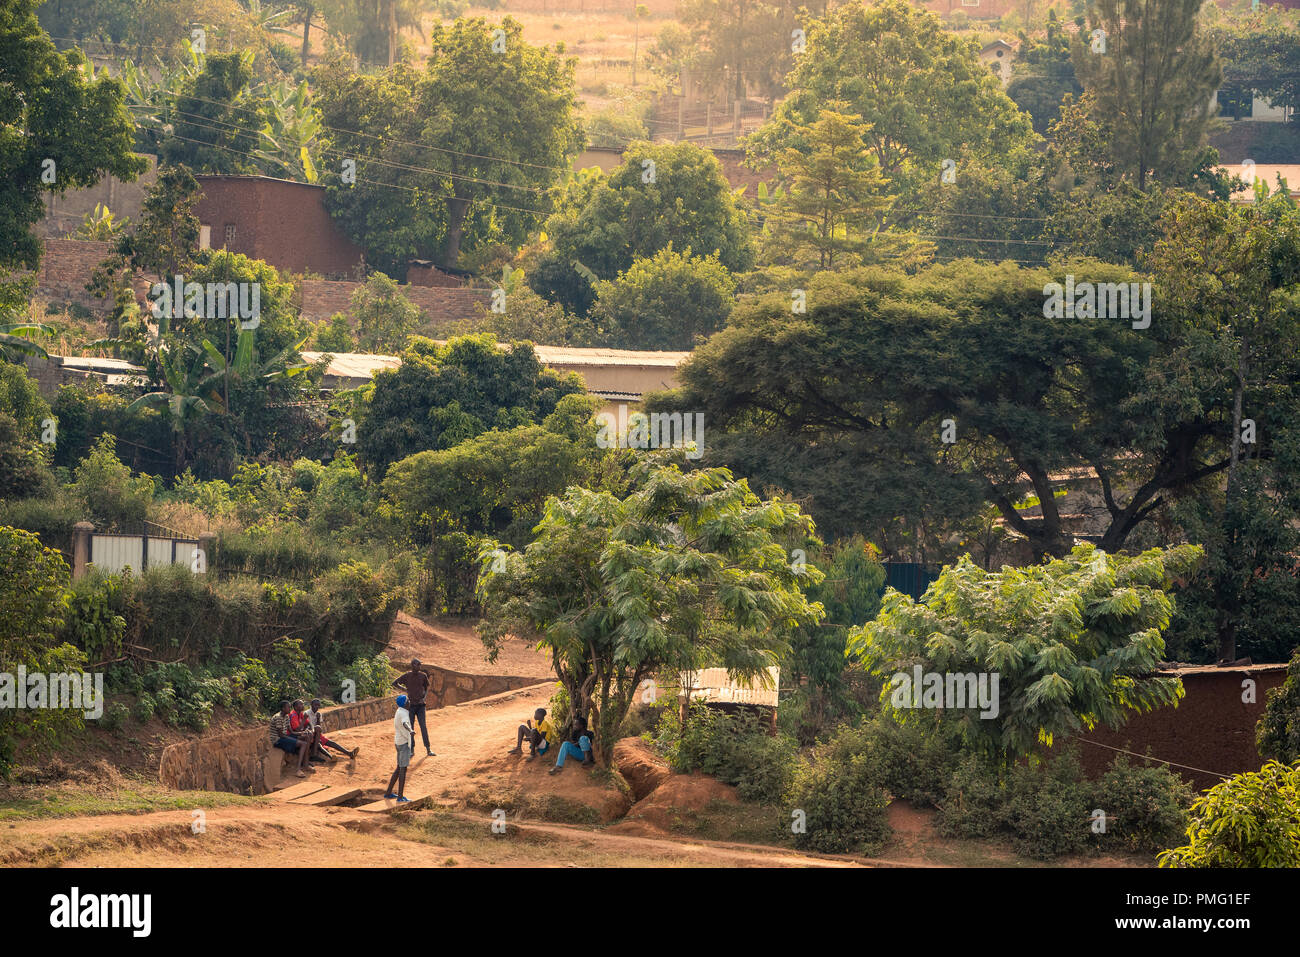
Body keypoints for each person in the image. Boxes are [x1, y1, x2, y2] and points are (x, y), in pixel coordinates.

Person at [392, 658, 435, 757]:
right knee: (410, 729)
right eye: (418, 664)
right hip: (410, 706)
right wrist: (405, 689)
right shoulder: (407, 676)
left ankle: (428, 749)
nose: (420, 666)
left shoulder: (423, 676)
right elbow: (394, 683)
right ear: (412, 665)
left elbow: (426, 688)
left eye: (420, 664)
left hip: (420, 706)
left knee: (423, 726)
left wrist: (424, 698)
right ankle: (411, 750)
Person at [269, 700, 313, 778]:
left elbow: (291, 731)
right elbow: (281, 735)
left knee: (306, 736)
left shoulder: (286, 716)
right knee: (303, 743)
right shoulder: (278, 717)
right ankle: (298, 770)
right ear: (283, 708)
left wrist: (301, 733)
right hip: (277, 740)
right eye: (288, 707)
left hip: (284, 736)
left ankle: (306, 764)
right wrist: (297, 737)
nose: (290, 708)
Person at [385, 694, 413, 803]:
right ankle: (400, 797)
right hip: (403, 743)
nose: (410, 702)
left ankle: (388, 793)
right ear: (405, 703)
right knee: (403, 769)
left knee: (398, 768)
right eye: (408, 700)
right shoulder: (404, 713)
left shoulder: (399, 711)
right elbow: (405, 723)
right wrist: (410, 730)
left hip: (398, 742)